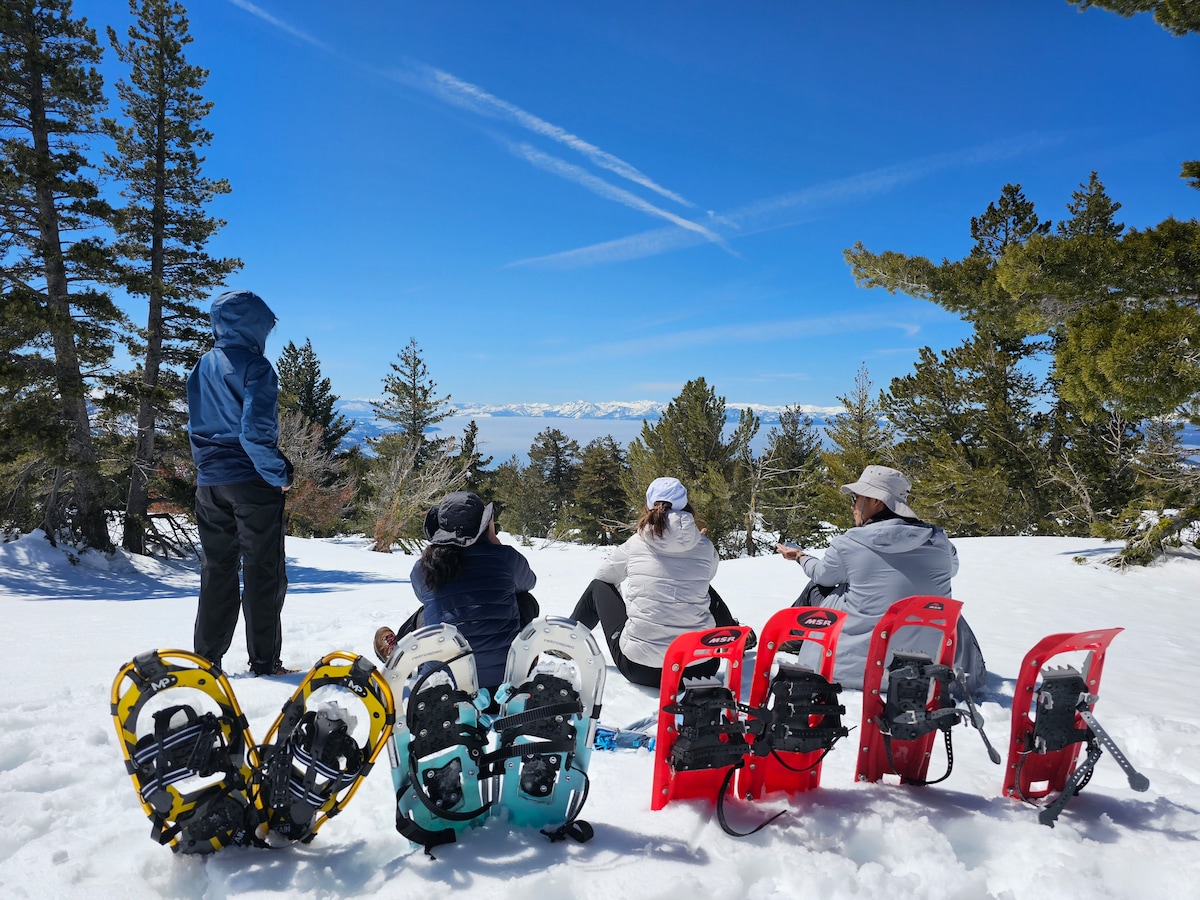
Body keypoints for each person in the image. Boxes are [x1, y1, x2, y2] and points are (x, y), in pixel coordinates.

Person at [775, 464, 986, 693]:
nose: (852, 505)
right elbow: (952, 570)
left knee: (816, 587)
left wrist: (800, 557)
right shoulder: (939, 541)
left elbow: (822, 576)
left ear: (877, 501)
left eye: (856, 498)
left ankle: (793, 639)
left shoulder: (849, 543)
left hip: (857, 667)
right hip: (932, 667)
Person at [187, 289, 294, 677]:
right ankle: (264, 662)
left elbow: (195, 427)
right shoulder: (257, 367)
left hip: (210, 483)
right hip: (251, 482)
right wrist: (279, 475)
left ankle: (206, 660)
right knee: (263, 570)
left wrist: (207, 468)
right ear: (254, 325)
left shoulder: (202, 366)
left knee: (217, 569)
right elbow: (254, 434)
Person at [569, 476, 747, 688]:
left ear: (649, 506)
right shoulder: (704, 546)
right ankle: (734, 638)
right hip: (700, 667)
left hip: (641, 669)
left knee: (599, 586)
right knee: (703, 588)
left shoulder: (636, 543)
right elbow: (707, 576)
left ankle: (567, 641)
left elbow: (604, 576)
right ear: (686, 506)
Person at [374, 491, 538, 694]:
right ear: (484, 526)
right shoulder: (506, 558)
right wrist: (497, 549)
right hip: (505, 680)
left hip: (444, 685)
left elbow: (422, 595)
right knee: (526, 600)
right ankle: (527, 656)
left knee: (428, 611)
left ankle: (399, 651)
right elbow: (529, 582)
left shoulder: (424, 567)